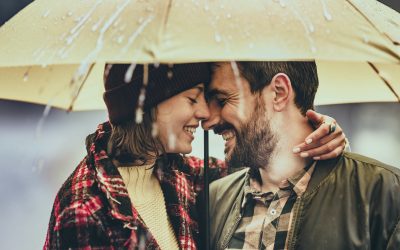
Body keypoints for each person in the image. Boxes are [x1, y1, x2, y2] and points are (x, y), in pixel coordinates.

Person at [44, 63, 345, 249]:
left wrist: (319, 134)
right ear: (146, 106)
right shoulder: (85, 206)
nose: (203, 114)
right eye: (193, 98)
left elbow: (267, 162)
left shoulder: (185, 175)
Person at [204, 61, 400, 250]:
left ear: (279, 93)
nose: (207, 121)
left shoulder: (384, 192)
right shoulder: (214, 199)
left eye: (222, 100)